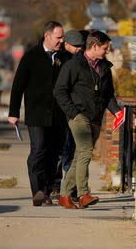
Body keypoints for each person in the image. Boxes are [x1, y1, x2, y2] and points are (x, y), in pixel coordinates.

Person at [54, 30, 121, 209]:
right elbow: (59, 91)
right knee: (84, 152)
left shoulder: (105, 68)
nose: (108, 51)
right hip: (79, 117)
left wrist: (118, 112)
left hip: (96, 118)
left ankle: (65, 195)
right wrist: (73, 113)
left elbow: (108, 95)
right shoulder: (73, 65)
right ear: (95, 46)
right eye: (105, 48)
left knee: (79, 157)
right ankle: (83, 194)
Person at [8, 21, 66, 206]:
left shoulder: (65, 56)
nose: (61, 41)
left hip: (58, 115)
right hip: (37, 114)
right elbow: (18, 85)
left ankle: (48, 191)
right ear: (47, 36)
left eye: (62, 37)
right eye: (58, 37)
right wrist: (13, 112)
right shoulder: (31, 56)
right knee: (39, 149)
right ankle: (38, 190)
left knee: (53, 153)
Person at [49, 30, 85, 203]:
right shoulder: (59, 59)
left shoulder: (82, 59)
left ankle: (72, 188)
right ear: (67, 44)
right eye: (76, 46)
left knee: (73, 151)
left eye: (81, 46)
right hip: (60, 112)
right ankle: (57, 186)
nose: (79, 49)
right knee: (60, 151)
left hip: (75, 111)